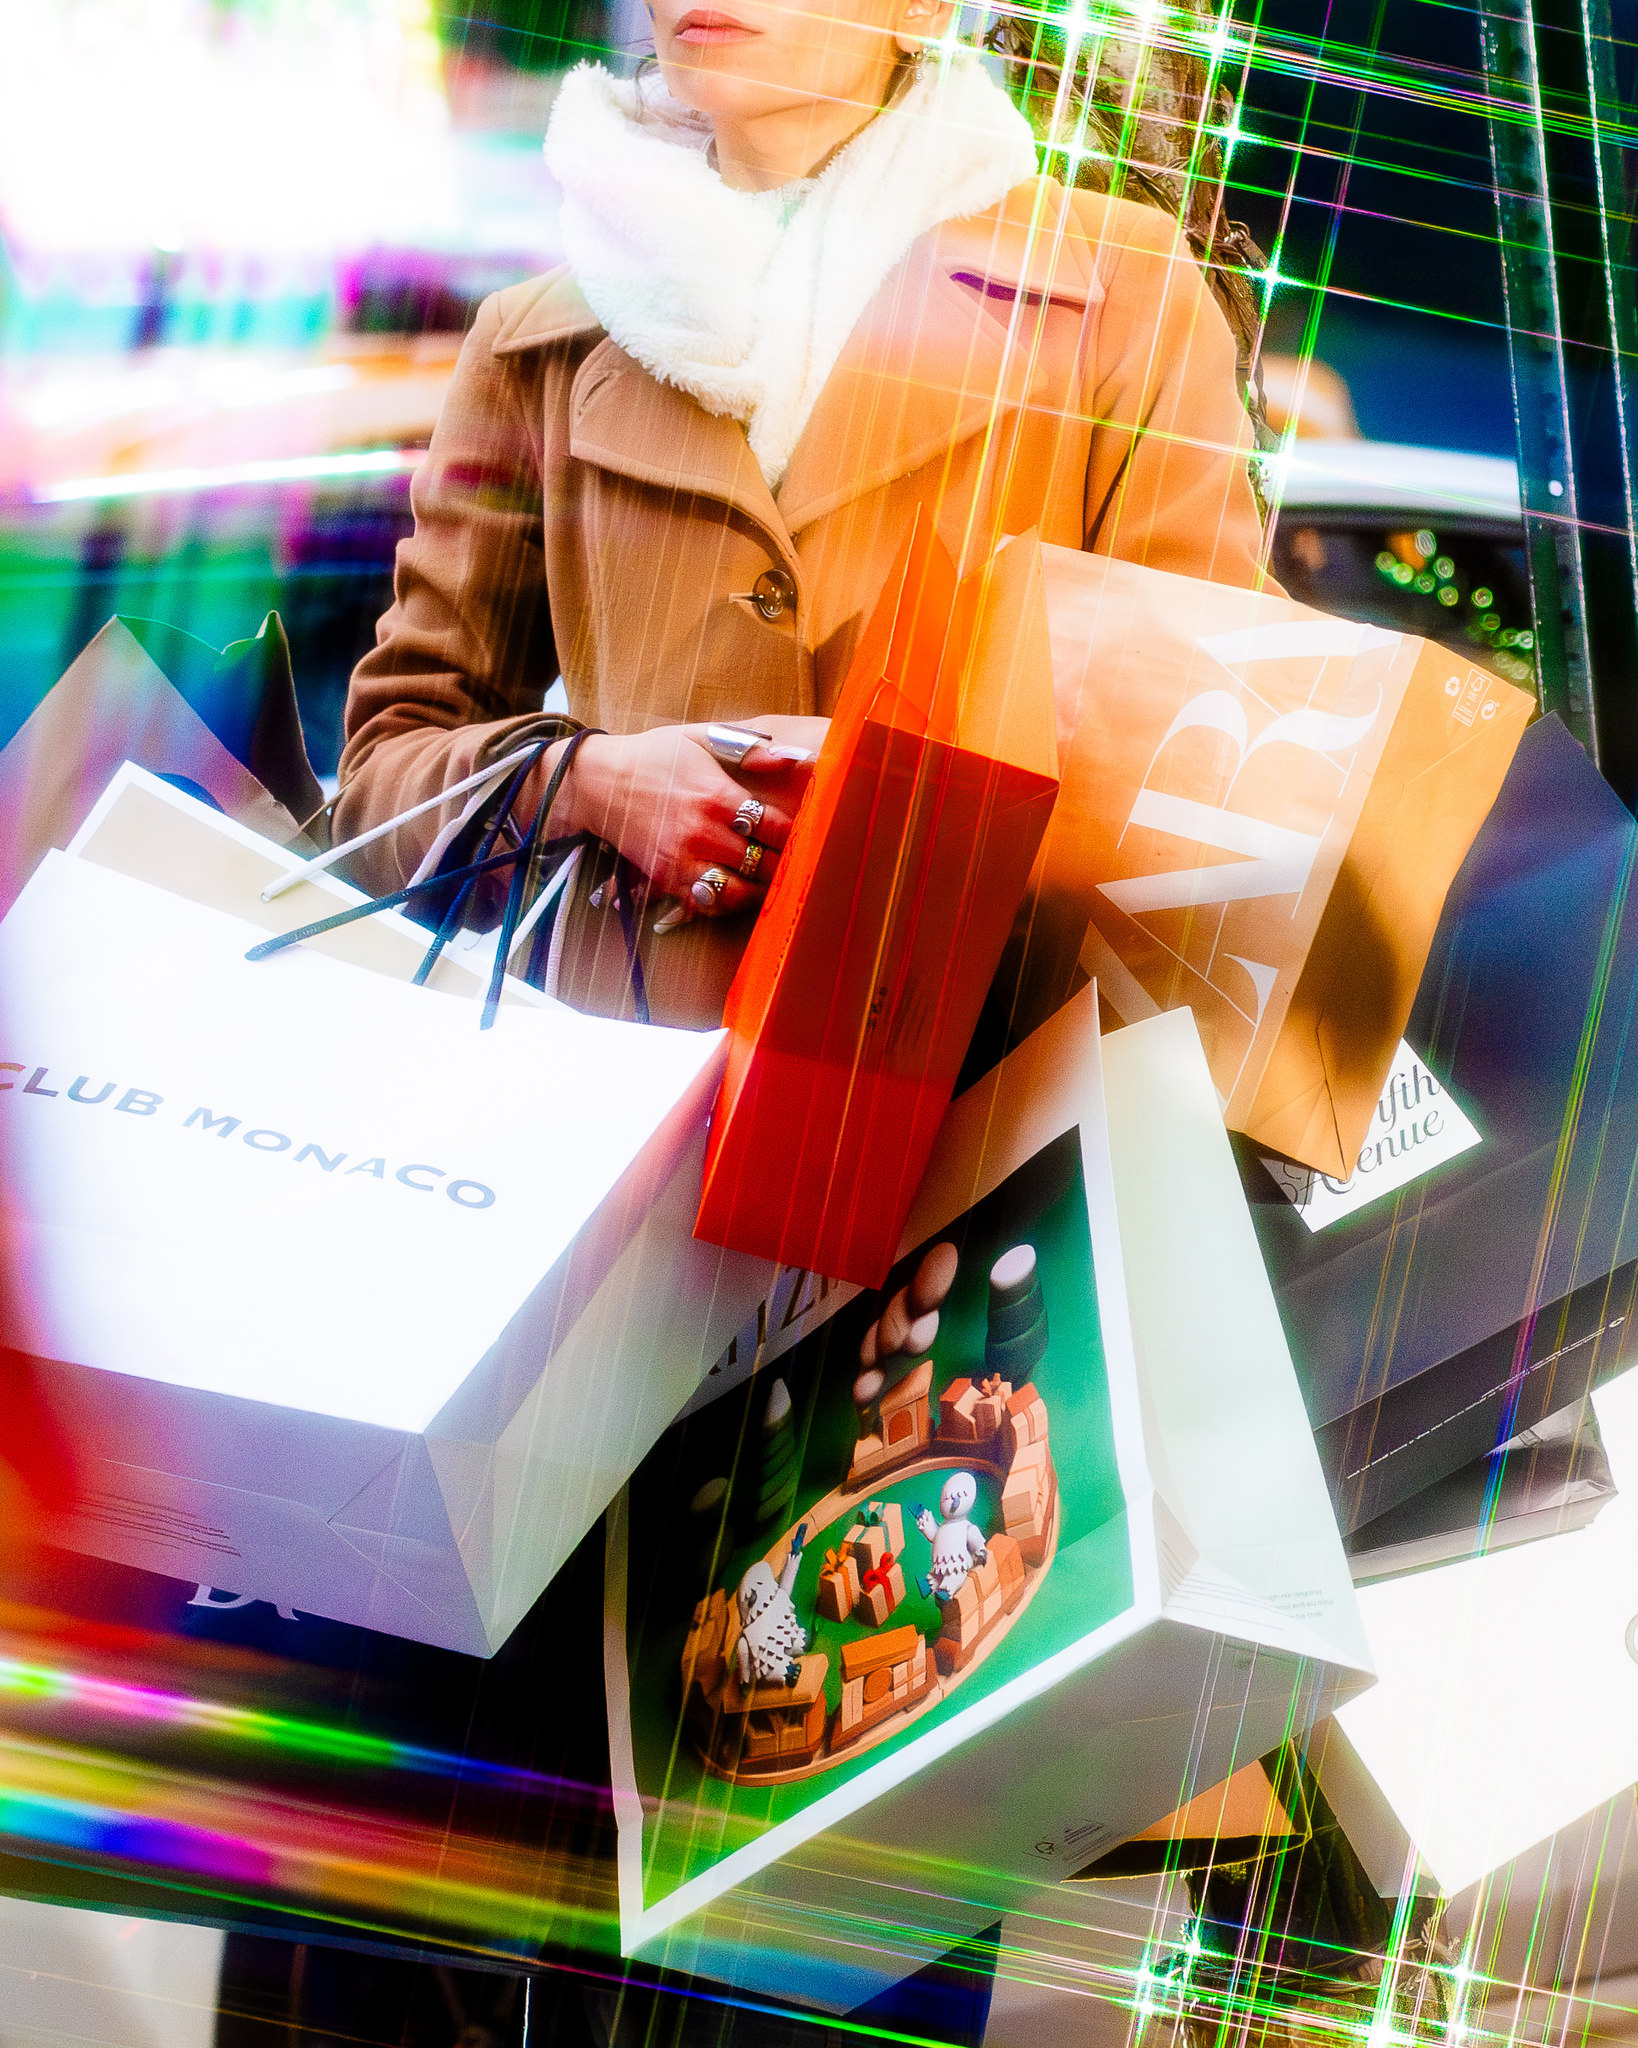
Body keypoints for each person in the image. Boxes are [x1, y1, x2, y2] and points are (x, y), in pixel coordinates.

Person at [333, 0, 1271, 1040]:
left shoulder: (1118, 288)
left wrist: (918, 795)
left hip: (973, 1110)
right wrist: (588, 783)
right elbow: (381, 784)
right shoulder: (534, 341)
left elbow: (1213, 743)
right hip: (619, 1120)